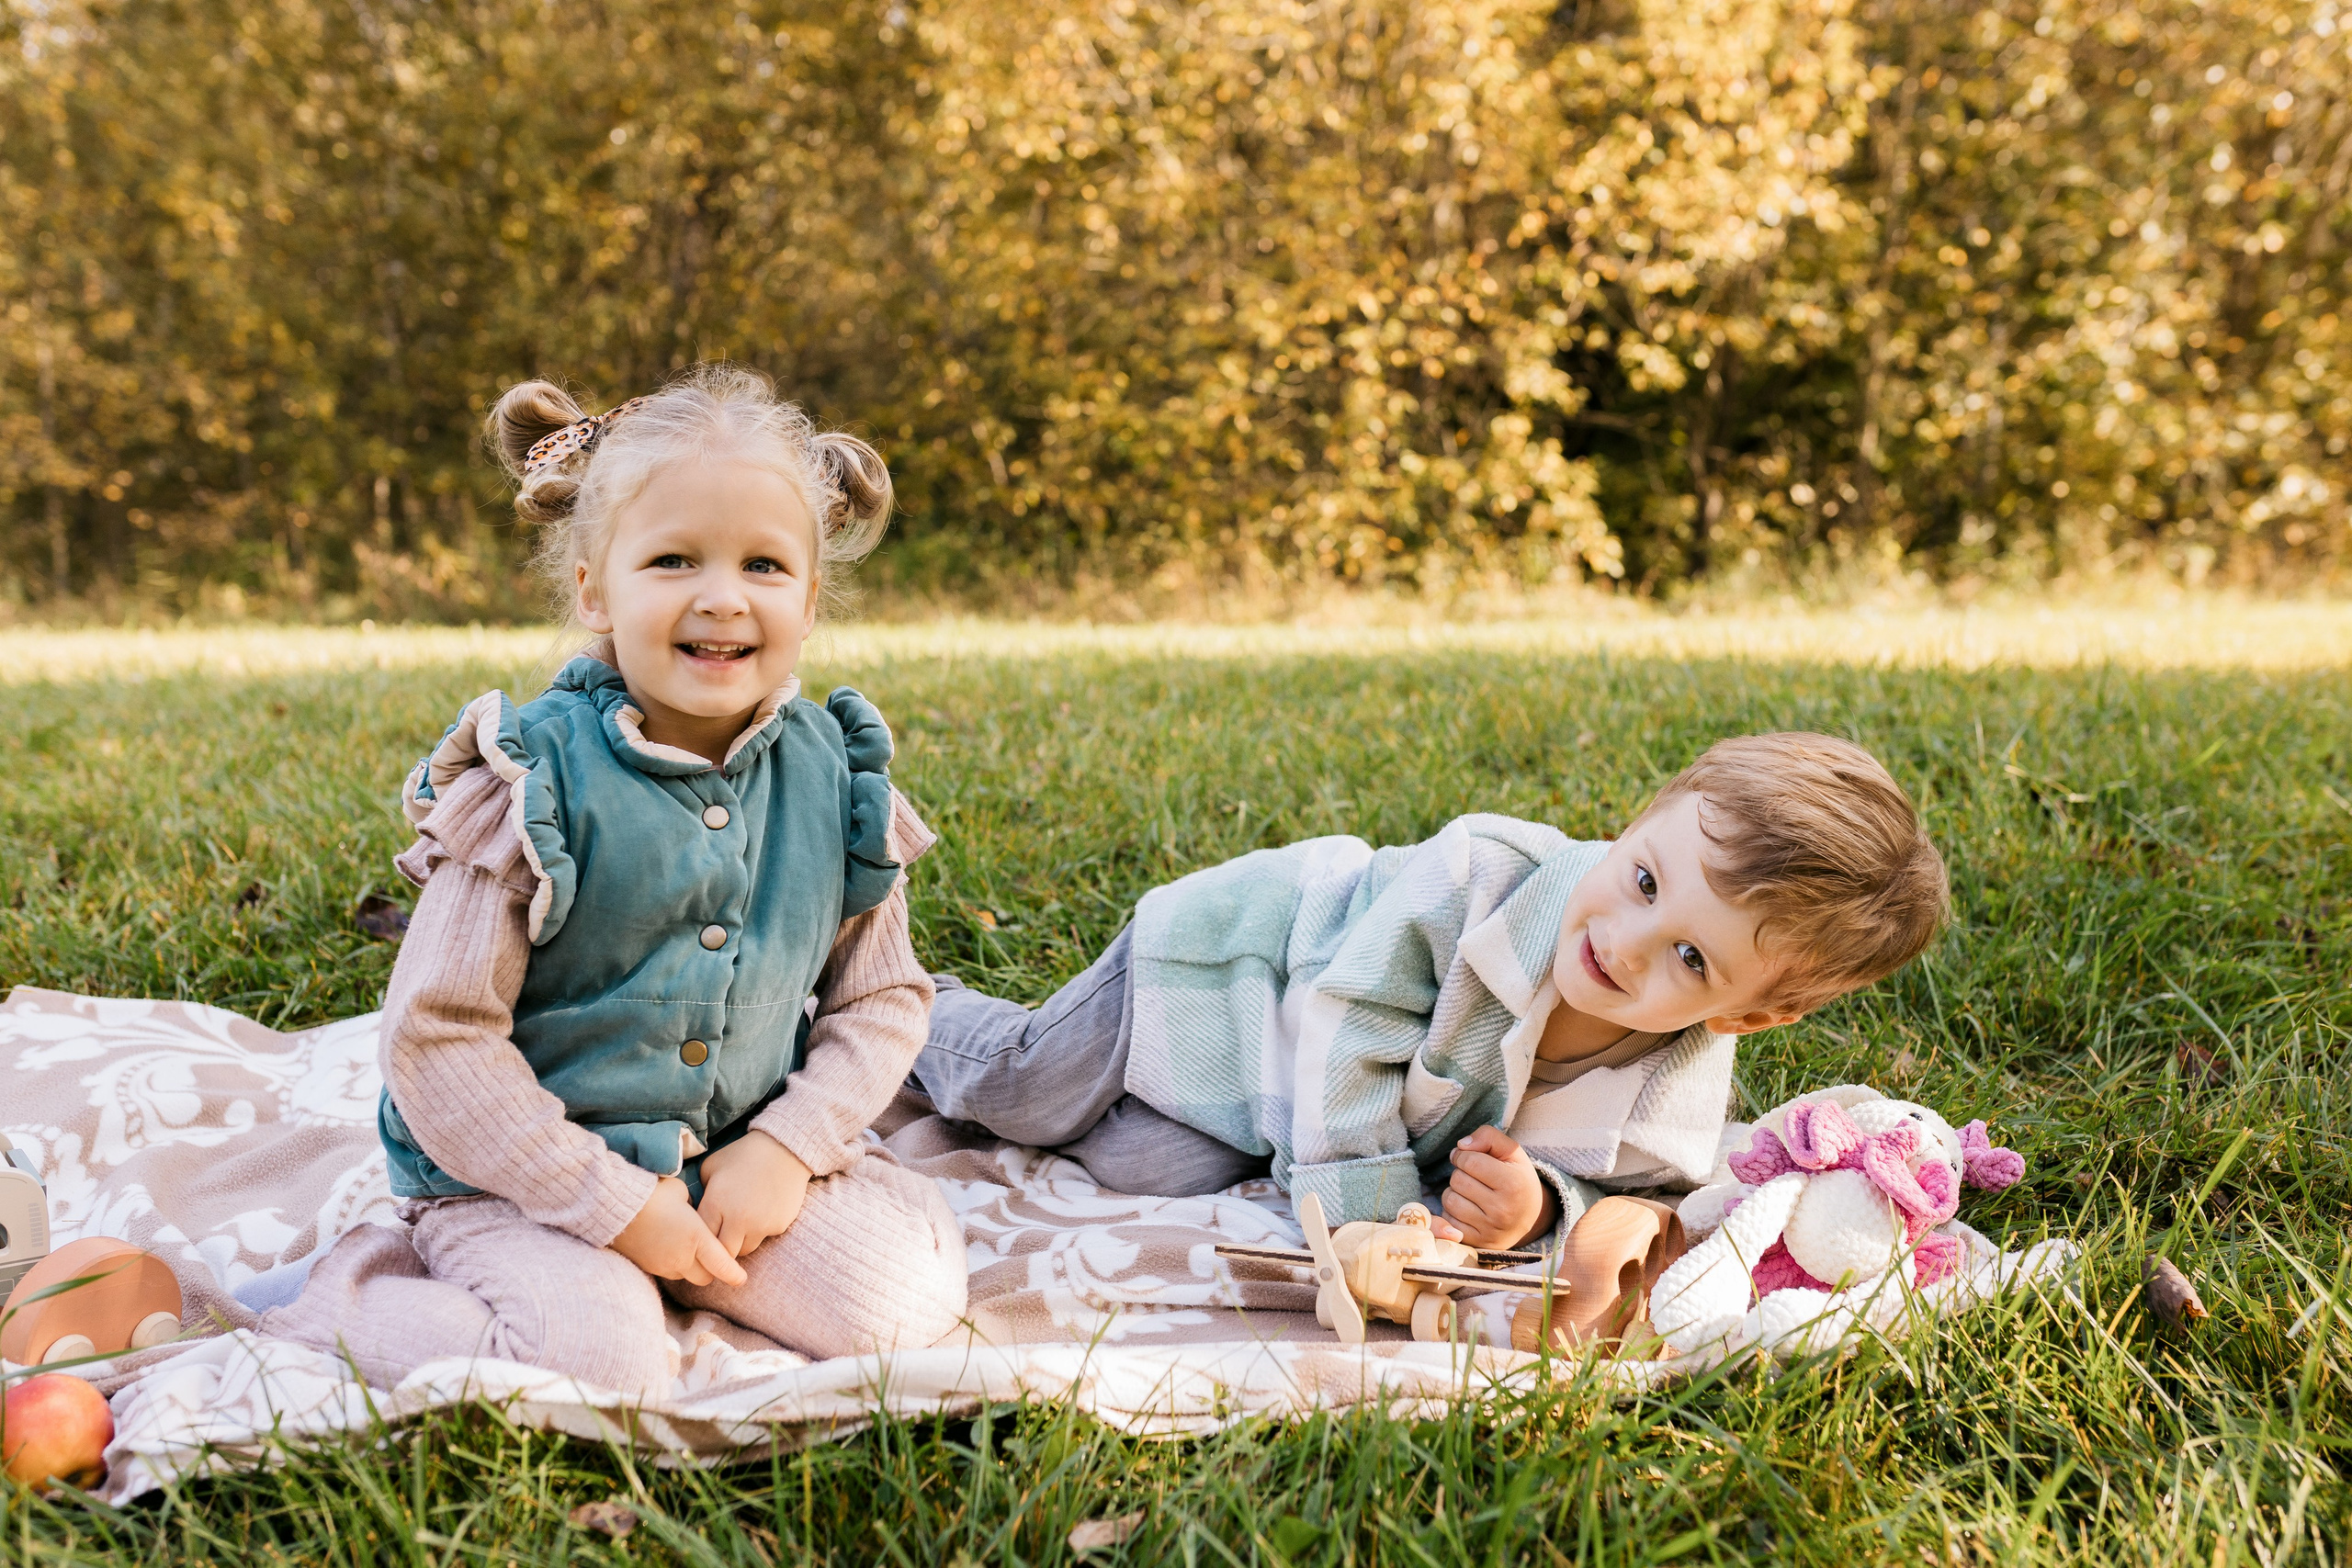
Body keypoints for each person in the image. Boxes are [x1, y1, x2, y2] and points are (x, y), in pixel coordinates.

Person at [266, 367, 966, 1393]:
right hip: (523, 1180)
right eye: (673, 558)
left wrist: (786, 1145)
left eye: (764, 565)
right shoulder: (532, 785)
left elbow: (884, 995)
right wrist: (613, 1208)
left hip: (726, 1154)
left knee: (896, 1303)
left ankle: (687, 1265)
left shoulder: (833, 776)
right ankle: (343, 1300)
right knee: (595, 1368)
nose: (720, 596)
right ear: (596, 586)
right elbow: (438, 1040)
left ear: (810, 599)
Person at [910, 733, 1948, 1253]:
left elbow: (1643, 1194)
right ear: (1639, 821)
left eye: (1691, 961)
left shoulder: (1671, 1080)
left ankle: (1197, 1120)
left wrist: (1542, 1204)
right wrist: (1374, 1224)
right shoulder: (1476, 878)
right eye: (1641, 880)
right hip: (1232, 968)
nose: (1626, 946)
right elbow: (1348, 1021)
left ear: (1747, 1013)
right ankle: (885, 1000)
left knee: (1147, 1167)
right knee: (1029, 1089)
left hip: (1272, 1090)